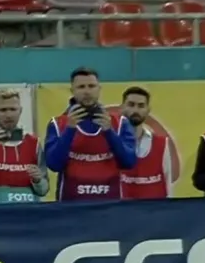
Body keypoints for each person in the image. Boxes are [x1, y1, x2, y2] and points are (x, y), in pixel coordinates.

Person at [43, 67, 137, 201]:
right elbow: (54, 165)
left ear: (99, 89)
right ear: (72, 91)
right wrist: (69, 130)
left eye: (91, 86)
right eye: (81, 87)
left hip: (110, 204)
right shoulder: (58, 124)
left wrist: (109, 133)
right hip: (71, 205)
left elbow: (129, 162)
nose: (87, 91)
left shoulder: (120, 122)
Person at [118, 86, 173, 200]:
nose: (136, 110)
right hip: (122, 208)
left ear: (148, 109)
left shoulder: (162, 144)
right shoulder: (112, 142)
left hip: (154, 209)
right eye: (131, 105)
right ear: (122, 108)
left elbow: (167, 183)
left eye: (141, 106)